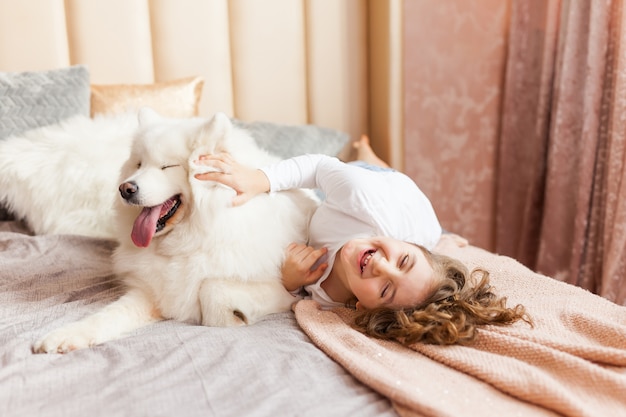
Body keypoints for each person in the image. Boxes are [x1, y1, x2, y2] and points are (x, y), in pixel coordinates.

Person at [195, 135, 531, 345]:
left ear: (363, 308)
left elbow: (295, 293)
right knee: (364, 169)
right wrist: (260, 179)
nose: (380, 266)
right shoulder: (363, 199)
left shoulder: (331, 300)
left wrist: (290, 281)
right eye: (403, 261)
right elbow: (318, 167)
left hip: (409, 224)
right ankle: (368, 153)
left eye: (386, 290)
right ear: (409, 245)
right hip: (392, 189)